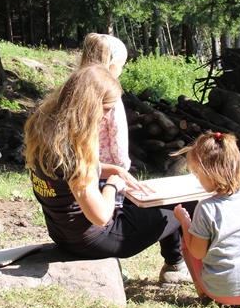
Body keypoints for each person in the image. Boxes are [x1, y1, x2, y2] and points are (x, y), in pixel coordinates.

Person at [24, 64, 192, 283]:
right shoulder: (74, 151)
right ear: (89, 106)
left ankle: (175, 264)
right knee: (178, 207)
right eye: (106, 109)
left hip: (61, 232)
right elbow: (101, 216)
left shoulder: (46, 130)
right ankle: (178, 266)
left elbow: (66, 176)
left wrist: (114, 170)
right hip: (93, 240)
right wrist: (112, 185)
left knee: (149, 200)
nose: (106, 116)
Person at [172, 131, 240, 308]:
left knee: (188, 241)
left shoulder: (206, 207)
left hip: (220, 293)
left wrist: (184, 220)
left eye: (197, 173)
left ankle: (204, 294)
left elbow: (197, 252)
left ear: (211, 172)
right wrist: (233, 172)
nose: (196, 178)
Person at [79, 33, 131, 171]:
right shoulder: (111, 98)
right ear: (112, 65)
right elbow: (118, 138)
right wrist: (122, 168)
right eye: (122, 65)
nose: (121, 69)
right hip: (105, 172)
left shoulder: (74, 91)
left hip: (76, 168)